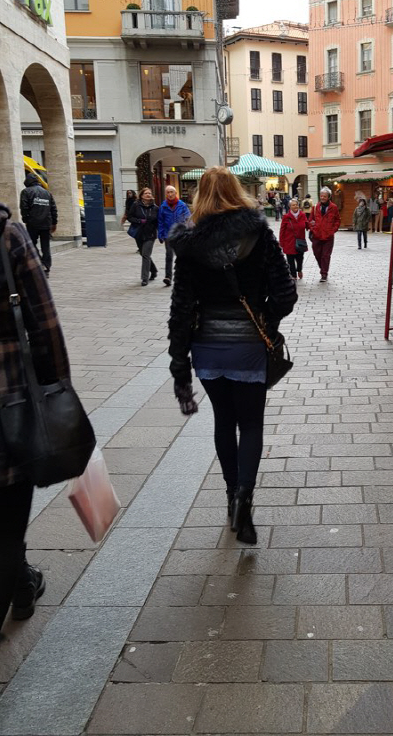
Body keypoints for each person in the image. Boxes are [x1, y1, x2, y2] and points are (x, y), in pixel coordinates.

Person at [168, 167, 297, 544]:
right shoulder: (258, 235)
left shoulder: (189, 245)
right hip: (248, 349)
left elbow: (180, 309)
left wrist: (180, 368)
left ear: (200, 196)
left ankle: (229, 496)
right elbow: (286, 294)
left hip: (207, 350)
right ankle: (245, 494)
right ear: (236, 191)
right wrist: (265, 321)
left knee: (224, 422)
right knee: (251, 425)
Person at [0, 203, 71, 637]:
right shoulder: (9, 236)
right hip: (9, 402)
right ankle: (17, 583)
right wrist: (57, 388)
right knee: (8, 509)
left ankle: (22, 581)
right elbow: (44, 323)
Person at [19, 173, 57, 276]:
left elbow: (24, 207)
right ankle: (46, 267)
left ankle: (40, 263)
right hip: (46, 224)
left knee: (31, 245)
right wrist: (54, 223)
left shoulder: (26, 192)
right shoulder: (47, 193)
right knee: (46, 247)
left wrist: (26, 219)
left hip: (33, 224)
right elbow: (53, 209)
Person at [157, 186, 189, 287]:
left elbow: (188, 219)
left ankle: (184, 277)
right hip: (168, 235)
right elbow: (160, 222)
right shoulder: (163, 207)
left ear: (175, 193)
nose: (170, 194)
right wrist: (160, 234)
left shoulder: (182, 205)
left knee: (181, 256)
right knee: (169, 255)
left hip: (180, 234)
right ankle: (168, 277)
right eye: (167, 192)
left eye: (171, 192)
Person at [127, 187, 159, 285]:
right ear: (142, 195)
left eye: (149, 193)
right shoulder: (136, 205)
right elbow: (130, 217)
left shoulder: (155, 208)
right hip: (139, 233)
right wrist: (139, 221)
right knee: (143, 254)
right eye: (146, 193)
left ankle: (144, 278)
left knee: (145, 255)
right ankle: (154, 270)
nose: (148, 195)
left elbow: (159, 221)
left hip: (150, 234)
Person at [309, 187, 341, 283]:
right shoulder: (315, 208)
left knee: (326, 256)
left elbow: (337, 220)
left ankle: (324, 274)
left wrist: (333, 230)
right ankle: (323, 267)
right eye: (321, 196)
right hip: (317, 236)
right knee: (317, 254)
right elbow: (310, 220)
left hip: (328, 237)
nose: (322, 198)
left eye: (324, 196)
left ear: (329, 197)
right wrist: (313, 229)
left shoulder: (333, 207)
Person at [279, 198, 308, 279]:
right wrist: (281, 242)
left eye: (296, 205)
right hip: (289, 241)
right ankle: (293, 275)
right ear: (290, 207)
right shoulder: (286, 217)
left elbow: (307, 225)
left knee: (300, 258)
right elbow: (282, 230)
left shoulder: (302, 215)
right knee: (290, 259)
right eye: (293, 205)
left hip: (300, 241)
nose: (295, 206)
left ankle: (299, 269)